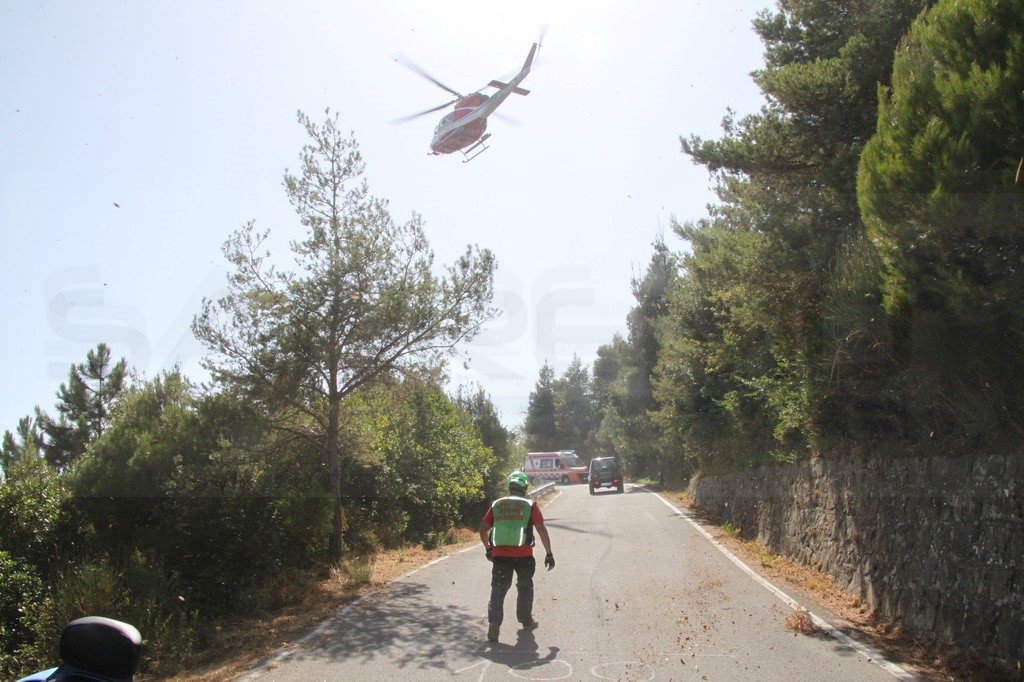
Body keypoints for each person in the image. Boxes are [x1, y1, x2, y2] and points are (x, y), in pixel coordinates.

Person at [479, 471, 555, 642]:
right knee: (525, 587)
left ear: (509, 487)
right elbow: (541, 529)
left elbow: (483, 529)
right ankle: (526, 621)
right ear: (525, 487)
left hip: (500, 555)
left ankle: (494, 624)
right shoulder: (530, 505)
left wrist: (488, 549)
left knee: (498, 590)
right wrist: (549, 553)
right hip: (524, 556)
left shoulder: (497, 504)